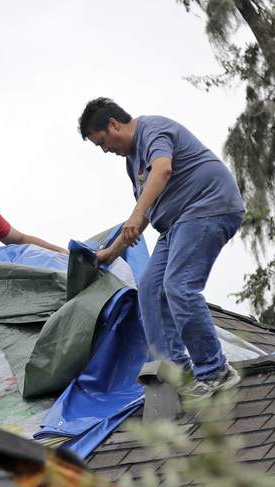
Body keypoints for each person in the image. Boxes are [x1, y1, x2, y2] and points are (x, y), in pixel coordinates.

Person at [78, 98, 245, 399]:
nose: (105, 151)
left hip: (207, 206)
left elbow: (163, 170)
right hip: (174, 224)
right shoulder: (133, 162)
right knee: (151, 290)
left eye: (102, 142)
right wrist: (111, 251)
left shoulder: (153, 130)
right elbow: (146, 210)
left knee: (178, 286)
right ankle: (173, 372)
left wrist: (135, 214)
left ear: (114, 124)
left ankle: (215, 370)